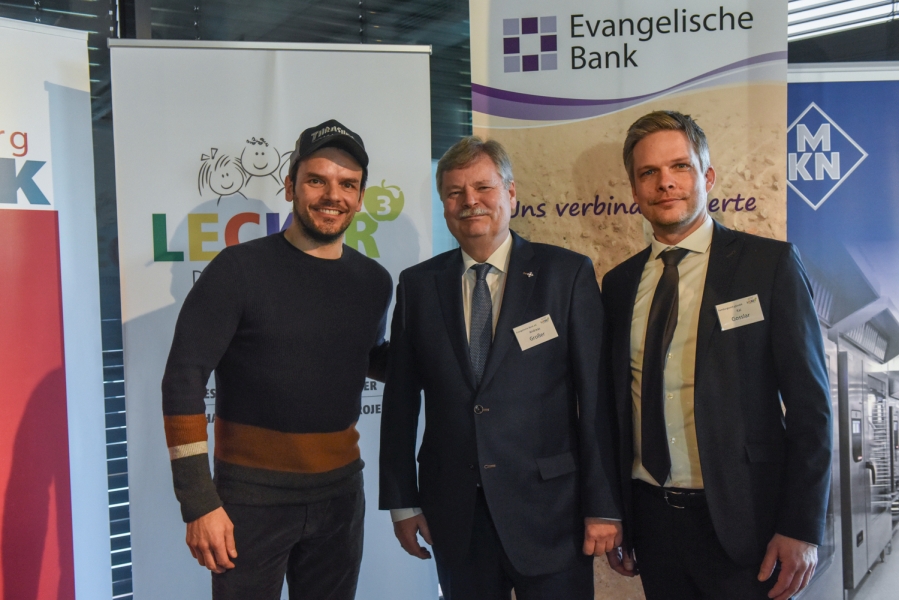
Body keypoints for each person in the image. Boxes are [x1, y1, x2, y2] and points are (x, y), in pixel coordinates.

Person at [601, 110, 832, 600]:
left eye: (680, 167)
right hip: (652, 522)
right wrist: (614, 510)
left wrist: (801, 525)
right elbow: (612, 411)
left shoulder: (768, 266)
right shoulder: (619, 285)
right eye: (649, 172)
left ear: (707, 177)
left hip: (748, 524)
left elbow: (811, 408)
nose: (665, 182)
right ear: (634, 189)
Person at [379, 136, 622, 600]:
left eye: (483, 187)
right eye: (454, 192)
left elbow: (595, 399)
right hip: (455, 515)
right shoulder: (417, 286)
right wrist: (402, 502)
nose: (469, 201)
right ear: (444, 205)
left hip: (552, 513)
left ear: (511, 193)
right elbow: (401, 402)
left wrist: (605, 506)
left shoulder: (566, 275)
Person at [161, 119, 392, 599]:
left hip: (340, 498)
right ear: (290, 187)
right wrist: (199, 502)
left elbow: (365, 356)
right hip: (249, 500)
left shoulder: (374, 281)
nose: (333, 195)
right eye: (316, 180)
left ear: (360, 198)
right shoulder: (237, 270)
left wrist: (451, 356)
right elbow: (184, 379)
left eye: (347, 184)